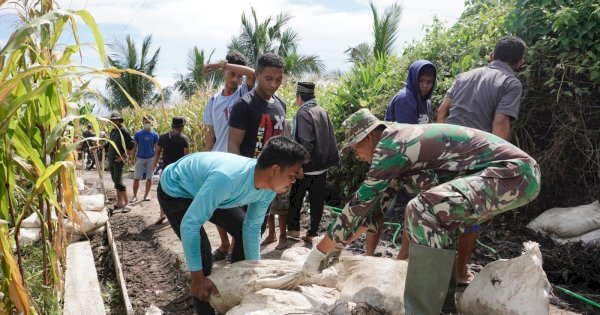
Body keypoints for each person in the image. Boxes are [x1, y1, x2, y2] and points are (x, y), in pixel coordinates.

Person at [302, 108, 540, 315]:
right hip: (511, 176)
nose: (357, 155)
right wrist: (337, 248)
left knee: (421, 208)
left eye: (355, 148)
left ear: (369, 136)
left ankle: (422, 311)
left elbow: (358, 204)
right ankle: (444, 307)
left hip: (514, 174)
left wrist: (318, 253)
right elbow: (371, 212)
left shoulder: (391, 144)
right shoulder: (395, 151)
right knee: (441, 222)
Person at [158, 136, 309, 315]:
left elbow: (252, 227)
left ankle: (233, 287)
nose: (293, 181)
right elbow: (189, 225)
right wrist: (197, 277)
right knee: (203, 255)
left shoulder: (268, 189)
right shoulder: (227, 179)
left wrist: (255, 272)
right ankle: (204, 308)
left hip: (207, 188)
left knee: (245, 228)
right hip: (176, 189)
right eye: (292, 175)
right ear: (275, 170)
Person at [436, 36, 527, 284]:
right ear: (519, 62)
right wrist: (498, 162)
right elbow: (500, 123)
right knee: (471, 214)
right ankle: (459, 272)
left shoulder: (463, 76)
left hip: (445, 153)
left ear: (491, 56)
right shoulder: (510, 83)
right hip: (476, 159)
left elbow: (441, 112)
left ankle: (427, 268)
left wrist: (445, 144)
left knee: (438, 207)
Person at [366, 60, 437, 258]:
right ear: (414, 79)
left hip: (411, 165)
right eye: (421, 80)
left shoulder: (425, 102)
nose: (425, 85)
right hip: (393, 162)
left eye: (429, 82)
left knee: (413, 211)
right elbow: (408, 138)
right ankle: (369, 256)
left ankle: (401, 258)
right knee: (379, 209)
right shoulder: (406, 98)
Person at [202, 51, 256, 262]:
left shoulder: (243, 93)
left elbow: (253, 74)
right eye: (231, 74)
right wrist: (205, 159)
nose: (235, 80)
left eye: (238, 76)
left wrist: (219, 64)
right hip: (217, 161)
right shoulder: (213, 100)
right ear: (225, 74)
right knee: (217, 206)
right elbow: (211, 134)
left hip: (237, 161)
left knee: (237, 206)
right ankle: (224, 243)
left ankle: (234, 248)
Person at [228, 52, 287, 241]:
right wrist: (241, 180)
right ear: (257, 74)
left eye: (278, 80)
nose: (273, 84)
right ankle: (238, 264)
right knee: (244, 229)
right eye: (268, 78)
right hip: (249, 180)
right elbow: (233, 144)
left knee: (258, 228)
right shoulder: (244, 105)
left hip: (271, 182)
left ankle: (246, 265)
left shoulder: (281, 105)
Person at [287, 81, 340, 244]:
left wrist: (299, 166)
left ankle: (294, 230)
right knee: (317, 202)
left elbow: (306, 142)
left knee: (295, 198)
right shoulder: (321, 110)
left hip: (307, 167)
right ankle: (312, 233)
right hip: (321, 166)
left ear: (299, 97)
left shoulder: (303, 113)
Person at [152, 116, 190, 224]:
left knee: (163, 191)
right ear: (182, 126)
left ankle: (162, 213)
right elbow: (186, 156)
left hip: (166, 169)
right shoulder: (184, 138)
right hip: (179, 170)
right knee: (180, 191)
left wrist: (154, 164)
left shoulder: (163, 136)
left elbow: (157, 152)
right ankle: (181, 214)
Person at [105, 112, 134, 212]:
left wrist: (123, 157)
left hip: (118, 160)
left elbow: (131, 144)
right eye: (112, 120)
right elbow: (108, 144)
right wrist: (98, 147)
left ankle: (127, 204)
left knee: (119, 182)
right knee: (115, 182)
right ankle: (119, 202)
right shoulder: (113, 131)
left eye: (114, 120)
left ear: (118, 120)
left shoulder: (123, 130)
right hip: (112, 159)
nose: (113, 122)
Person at [131, 116, 159, 203]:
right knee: (136, 178)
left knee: (149, 178)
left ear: (151, 123)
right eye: (145, 122)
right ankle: (134, 196)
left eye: (148, 122)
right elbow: (134, 147)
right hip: (140, 158)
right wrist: (132, 158)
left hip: (151, 158)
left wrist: (156, 160)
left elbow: (157, 149)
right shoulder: (138, 133)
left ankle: (146, 195)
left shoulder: (155, 135)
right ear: (143, 123)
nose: (147, 124)